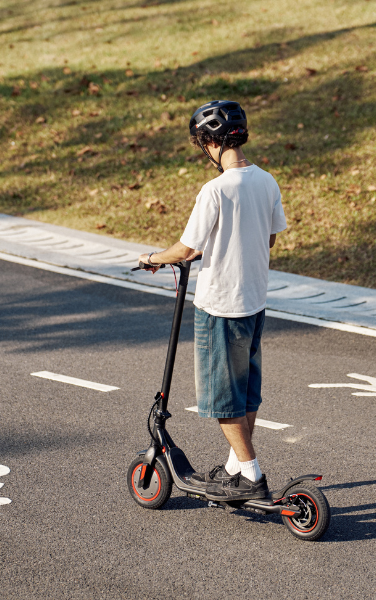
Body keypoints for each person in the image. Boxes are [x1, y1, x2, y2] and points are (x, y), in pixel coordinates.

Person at [137, 100, 287, 501]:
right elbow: (267, 238)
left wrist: (151, 259)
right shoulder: (267, 181)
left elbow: (185, 250)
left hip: (220, 307)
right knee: (246, 392)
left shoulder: (215, 190)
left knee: (223, 401)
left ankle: (251, 474)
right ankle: (236, 467)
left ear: (208, 142)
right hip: (254, 304)